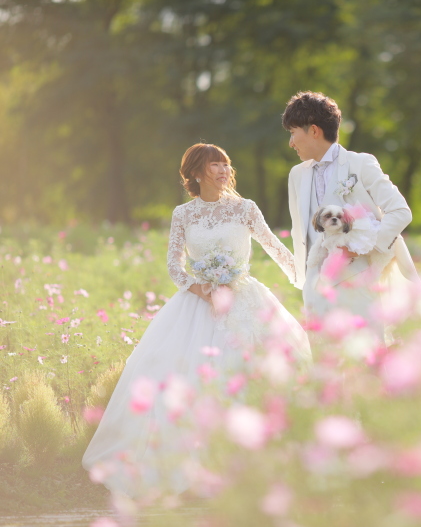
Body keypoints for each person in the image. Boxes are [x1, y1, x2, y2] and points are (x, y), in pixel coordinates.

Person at [82, 143, 311, 498]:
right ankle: (192, 470)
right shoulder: (183, 215)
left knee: (248, 371)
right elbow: (174, 265)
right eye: (214, 164)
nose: (222, 170)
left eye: (225, 163)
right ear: (196, 172)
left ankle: (254, 466)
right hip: (197, 303)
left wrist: (306, 277)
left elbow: (274, 246)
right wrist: (202, 290)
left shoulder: (246, 209)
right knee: (188, 376)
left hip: (244, 299)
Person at [283, 91, 417, 342]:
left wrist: (363, 247)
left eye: (293, 133)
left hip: (358, 282)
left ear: (313, 131)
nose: (291, 142)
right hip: (315, 287)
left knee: (366, 367)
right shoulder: (296, 175)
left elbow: (400, 211)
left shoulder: (360, 164)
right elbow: (300, 232)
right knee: (324, 372)